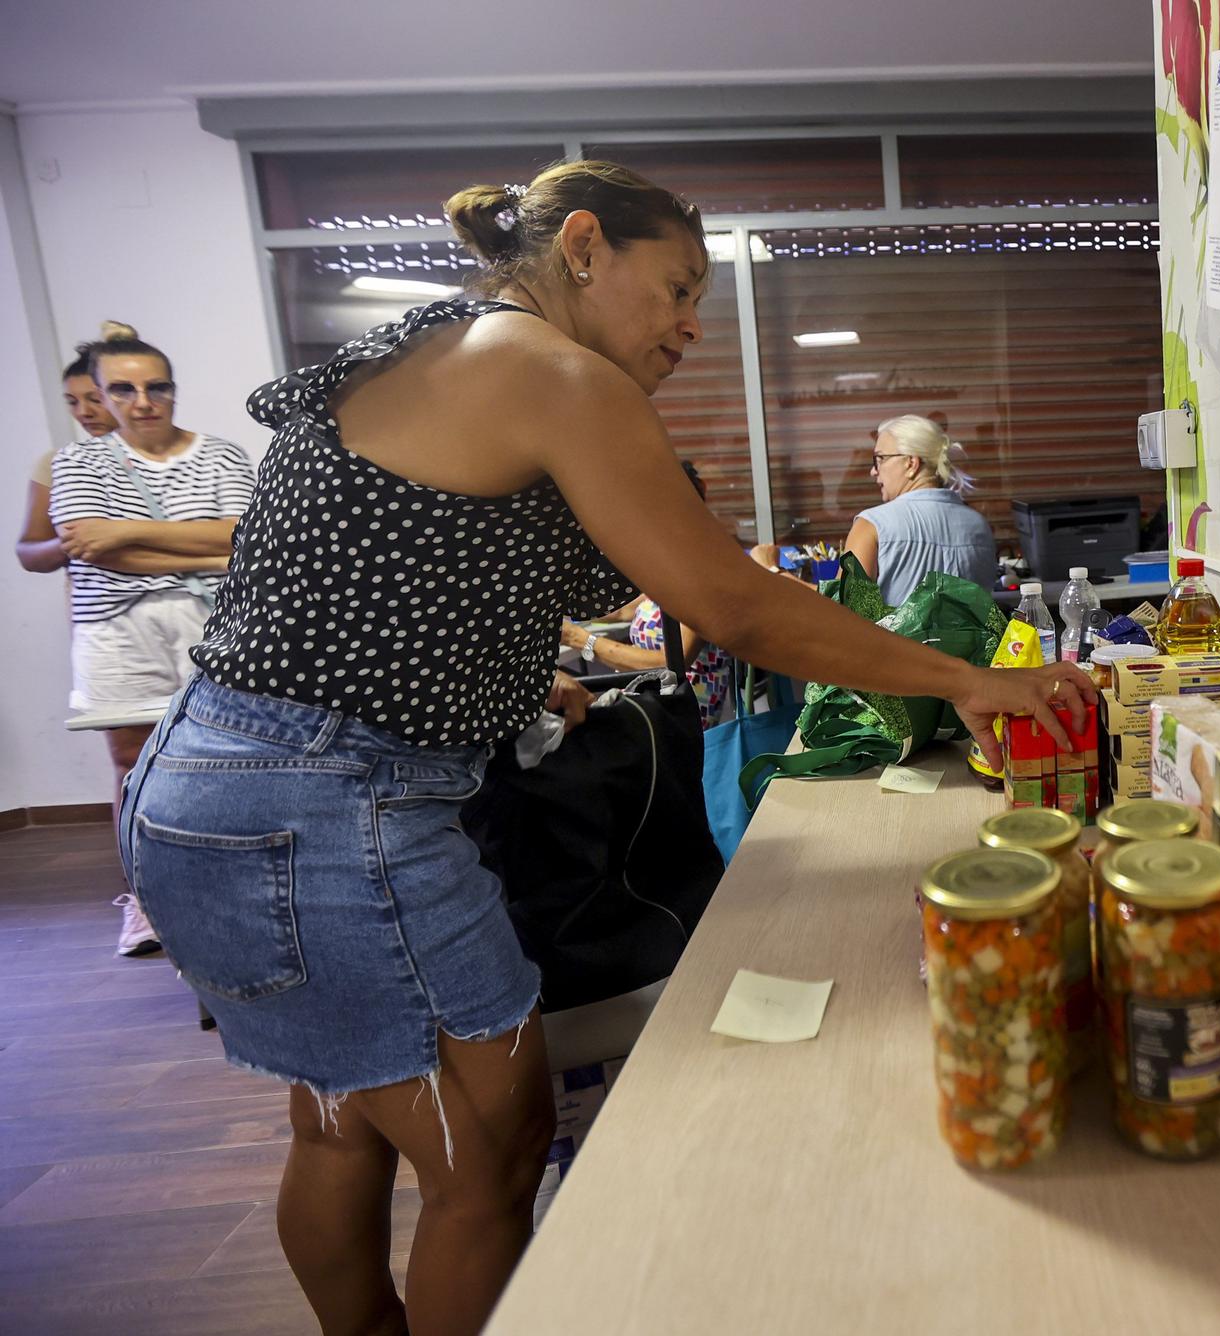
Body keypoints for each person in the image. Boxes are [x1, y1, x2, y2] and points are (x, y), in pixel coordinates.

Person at [118, 160, 1093, 1336]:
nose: (690, 323)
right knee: (487, 1152)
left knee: (339, 1117)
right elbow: (734, 605)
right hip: (329, 801)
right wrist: (968, 679)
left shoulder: (440, 342)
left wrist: (520, 679)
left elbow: (379, 556)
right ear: (583, 246)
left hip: (208, 784)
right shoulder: (550, 370)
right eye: (677, 287)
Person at [48, 325, 254, 958]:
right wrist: (204, 547)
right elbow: (91, 547)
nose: (143, 401)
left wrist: (127, 533)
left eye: (156, 386)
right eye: (123, 389)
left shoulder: (220, 454)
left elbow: (247, 534)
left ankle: (235, 889)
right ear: (101, 397)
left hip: (214, 623)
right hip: (117, 630)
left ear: (173, 390)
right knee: (133, 764)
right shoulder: (78, 462)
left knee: (231, 755)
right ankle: (146, 900)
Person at [560, 461, 734, 726]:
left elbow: (671, 661)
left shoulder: (700, 571)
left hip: (678, 722)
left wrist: (581, 639)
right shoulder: (674, 566)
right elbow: (628, 608)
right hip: (653, 709)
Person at [843, 414, 998, 604]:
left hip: (892, 636)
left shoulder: (872, 526)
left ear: (911, 463)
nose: (873, 470)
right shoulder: (979, 525)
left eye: (880, 459)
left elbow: (843, 612)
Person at [16, 333, 123, 573]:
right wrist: (78, 541)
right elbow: (28, 553)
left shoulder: (180, 455)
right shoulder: (58, 462)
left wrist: (127, 533)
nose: (84, 412)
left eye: (95, 400)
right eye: (72, 402)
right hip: (100, 605)